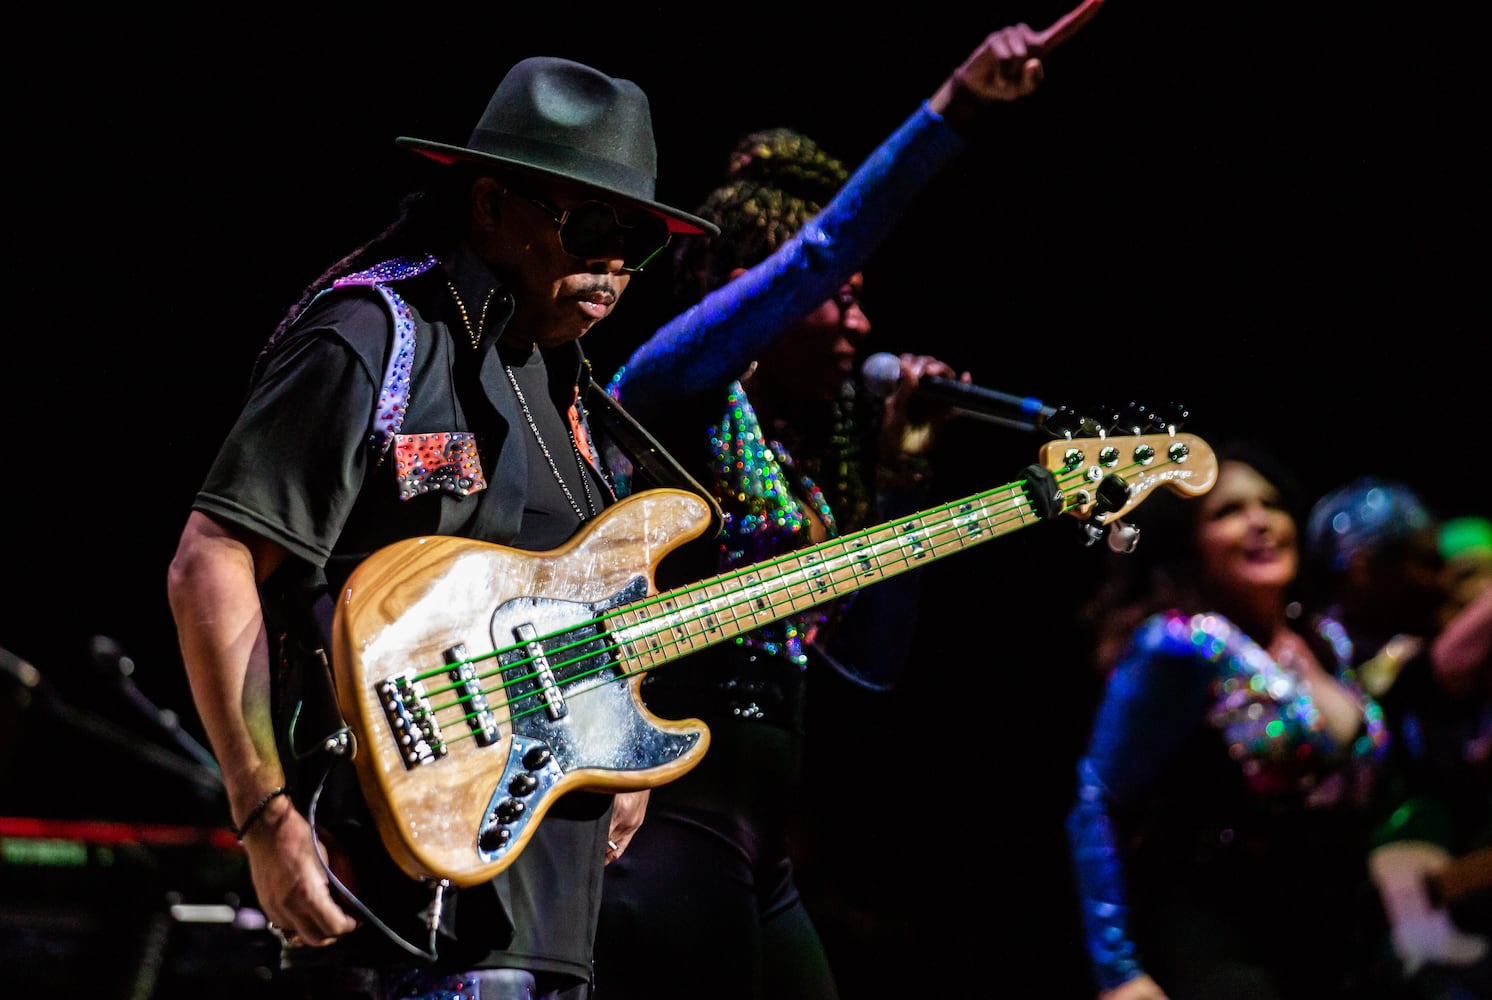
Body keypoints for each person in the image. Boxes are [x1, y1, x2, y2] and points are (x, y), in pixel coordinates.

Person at [166, 56, 722, 1000]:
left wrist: (628, 739)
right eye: (591, 225)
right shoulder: (375, 337)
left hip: (552, 925)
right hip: (396, 914)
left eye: (639, 239)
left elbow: (596, 601)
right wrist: (263, 814)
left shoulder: (578, 398)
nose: (617, 261)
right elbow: (211, 562)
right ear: (493, 204)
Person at [593, 6, 1104, 998]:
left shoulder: (799, 466)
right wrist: (953, 105)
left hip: (763, 847)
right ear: (757, 288)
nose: (860, 321)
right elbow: (820, 250)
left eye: (864, 299)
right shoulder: (672, 390)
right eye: (843, 297)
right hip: (668, 821)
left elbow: (868, 665)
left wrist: (903, 475)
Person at [1065, 442, 1398, 1000]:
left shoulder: (1325, 641)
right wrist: (1118, 970)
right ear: (1191, 543)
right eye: (1229, 512)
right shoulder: (1180, 645)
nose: (1260, 523)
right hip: (1225, 939)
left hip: (1340, 938)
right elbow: (1097, 799)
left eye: (1270, 505)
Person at [1305, 480, 1492, 999]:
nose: (1439, 583)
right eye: (1425, 563)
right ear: (1365, 568)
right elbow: (1432, 673)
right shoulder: (1323, 655)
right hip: (1367, 930)